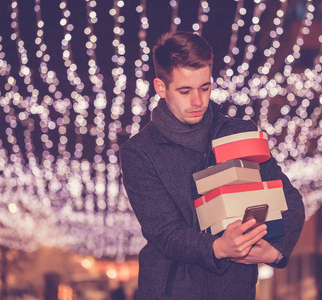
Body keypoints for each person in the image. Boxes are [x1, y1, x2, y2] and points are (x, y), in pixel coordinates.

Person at [120, 31, 305, 299]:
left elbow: (289, 199)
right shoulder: (139, 152)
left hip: (234, 289)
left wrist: (276, 251)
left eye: (204, 88)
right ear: (161, 88)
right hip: (170, 290)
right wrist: (219, 247)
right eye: (185, 90)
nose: (197, 101)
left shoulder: (240, 132)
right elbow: (165, 232)